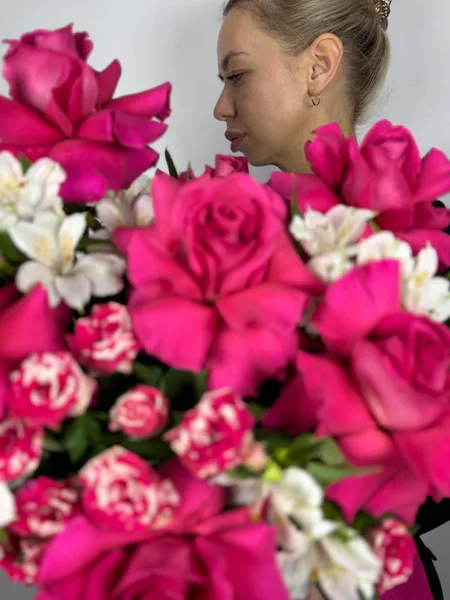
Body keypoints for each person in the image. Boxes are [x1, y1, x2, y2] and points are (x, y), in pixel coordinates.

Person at [214, 1, 448, 599]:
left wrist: (346, 515)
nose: (220, 107)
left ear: (319, 65)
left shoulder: (428, 241)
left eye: (237, 75)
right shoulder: (219, 237)